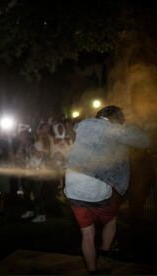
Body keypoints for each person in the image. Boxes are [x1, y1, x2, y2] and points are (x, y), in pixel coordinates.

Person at [64, 105, 150, 274]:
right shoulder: (113, 129)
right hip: (94, 185)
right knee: (111, 221)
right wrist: (129, 127)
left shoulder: (83, 124)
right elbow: (144, 141)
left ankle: (93, 271)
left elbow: (75, 128)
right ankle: (104, 252)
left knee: (87, 234)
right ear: (116, 119)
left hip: (72, 183)